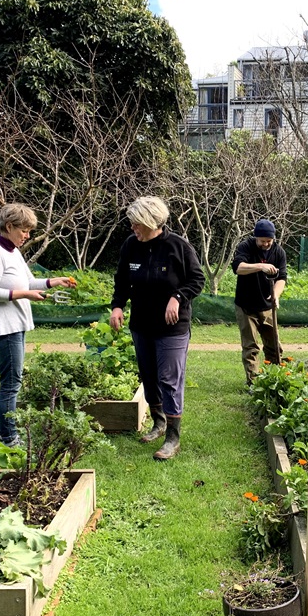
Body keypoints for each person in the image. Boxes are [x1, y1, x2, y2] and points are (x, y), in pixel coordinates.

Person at [110, 196, 205, 460]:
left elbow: (197, 280)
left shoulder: (178, 247)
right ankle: (158, 423)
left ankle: (173, 438)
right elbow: (122, 281)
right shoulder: (131, 246)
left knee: (169, 380)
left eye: (136, 224)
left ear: (151, 222)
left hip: (172, 328)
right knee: (149, 376)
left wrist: (177, 297)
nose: (132, 228)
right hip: (141, 325)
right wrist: (117, 306)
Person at [0, 203, 76, 447]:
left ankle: (3, 435)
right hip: (4, 328)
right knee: (11, 385)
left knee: (11, 382)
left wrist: (54, 282)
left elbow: (29, 282)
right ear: (9, 226)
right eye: (25, 230)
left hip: (15, 326)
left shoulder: (13, 252)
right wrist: (23, 295)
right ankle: (9, 438)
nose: (28, 236)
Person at [232, 219, 288, 384]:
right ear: (255, 237)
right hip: (246, 307)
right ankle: (254, 384)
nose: (266, 244)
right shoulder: (245, 247)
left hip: (267, 307)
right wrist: (260, 266)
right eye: (262, 241)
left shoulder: (279, 252)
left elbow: (282, 278)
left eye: (269, 241)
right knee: (251, 347)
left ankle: (276, 379)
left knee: (274, 346)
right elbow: (238, 268)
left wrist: (276, 294)